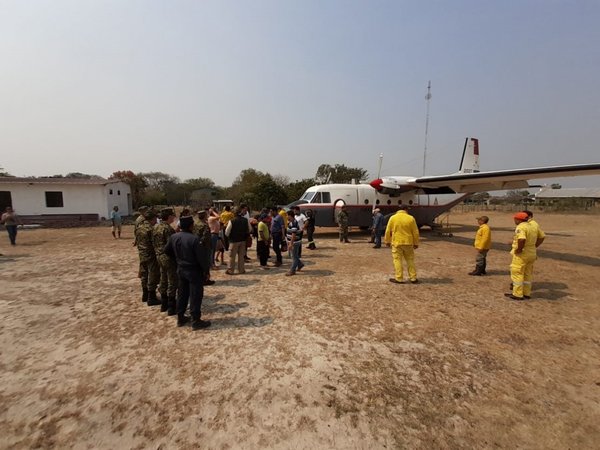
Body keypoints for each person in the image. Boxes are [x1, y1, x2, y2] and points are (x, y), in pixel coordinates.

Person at [164, 216, 211, 329]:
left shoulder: (173, 237)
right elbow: (201, 258)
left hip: (181, 269)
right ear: (191, 226)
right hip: (193, 271)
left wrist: (177, 260)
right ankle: (195, 320)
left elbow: (166, 250)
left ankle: (180, 318)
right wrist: (206, 271)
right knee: (195, 295)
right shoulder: (194, 239)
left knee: (182, 294)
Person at [506, 212, 537, 300]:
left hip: (522, 254)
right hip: (531, 253)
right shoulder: (532, 226)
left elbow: (522, 239)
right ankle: (526, 293)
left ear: (519, 219)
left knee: (517, 272)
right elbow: (541, 237)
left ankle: (517, 294)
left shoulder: (521, 227)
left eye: (515, 219)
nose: (514, 221)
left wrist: (519, 249)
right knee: (527, 274)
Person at [384, 205, 420, 284]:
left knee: (397, 260)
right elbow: (415, 232)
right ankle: (413, 278)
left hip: (397, 243)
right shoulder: (411, 218)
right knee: (410, 260)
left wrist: (387, 241)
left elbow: (388, 231)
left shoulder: (393, 218)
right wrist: (416, 243)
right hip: (408, 242)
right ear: (405, 209)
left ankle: (399, 278)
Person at [153, 208, 178, 314]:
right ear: (169, 217)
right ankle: (171, 306)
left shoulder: (156, 226)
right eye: (172, 216)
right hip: (168, 257)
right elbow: (171, 245)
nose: (173, 217)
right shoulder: (168, 229)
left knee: (163, 279)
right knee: (172, 281)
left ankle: (164, 304)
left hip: (159, 256)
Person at [135, 209, 161, 305]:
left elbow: (137, 241)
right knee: (152, 275)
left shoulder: (139, 228)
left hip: (142, 254)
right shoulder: (152, 229)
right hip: (151, 255)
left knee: (144, 274)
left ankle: (145, 294)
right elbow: (156, 244)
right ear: (153, 218)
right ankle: (151, 297)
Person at [224, 206, 251, 275]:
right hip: (243, 240)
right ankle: (241, 270)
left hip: (233, 241)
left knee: (232, 257)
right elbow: (250, 229)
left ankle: (230, 270)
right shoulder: (245, 220)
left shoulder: (232, 221)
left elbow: (226, 233)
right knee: (241, 256)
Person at [194, 210, 215, 286]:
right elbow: (206, 237)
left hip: (196, 246)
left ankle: (199, 278)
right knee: (206, 263)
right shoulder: (204, 225)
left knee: (198, 263)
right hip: (205, 247)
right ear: (205, 216)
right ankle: (206, 279)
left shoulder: (195, 224)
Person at [285, 210, 304, 276]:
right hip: (292, 241)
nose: (286, 217)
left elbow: (293, 234)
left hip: (295, 242)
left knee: (294, 257)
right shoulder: (290, 222)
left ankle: (292, 270)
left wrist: (291, 243)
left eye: (287, 215)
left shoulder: (294, 223)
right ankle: (300, 264)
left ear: (290, 215)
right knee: (293, 255)